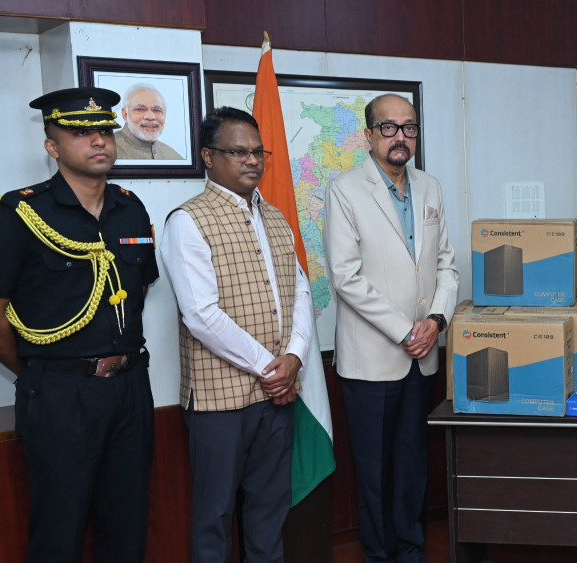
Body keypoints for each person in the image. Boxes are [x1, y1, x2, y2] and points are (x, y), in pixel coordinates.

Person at [0, 87, 158, 562]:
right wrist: (38, 371)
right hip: (60, 394)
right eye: (80, 133)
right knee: (59, 530)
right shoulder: (19, 214)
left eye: (105, 130)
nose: (99, 141)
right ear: (52, 146)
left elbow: (137, 290)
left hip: (130, 387)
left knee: (127, 524)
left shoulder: (130, 207)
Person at [160, 107, 313, 563]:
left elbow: (300, 291)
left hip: (278, 394)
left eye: (258, 152)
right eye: (238, 152)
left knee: (269, 512)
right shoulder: (188, 220)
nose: (252, 161)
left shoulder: (276, 217)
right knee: (215, 516)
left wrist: (295, 357)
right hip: (219, 402)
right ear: (208, 156)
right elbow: (200, 315)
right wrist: (272, 367)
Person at [324, 93, 458, 563]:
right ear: (369, 135)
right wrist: (407, 332)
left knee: (412, 463)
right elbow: (346, 277)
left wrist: (436, 321)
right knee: (375, 470)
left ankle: (411, 549)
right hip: (372, 360)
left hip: (423, 357)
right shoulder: (345, 190)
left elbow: (446, 266)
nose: (400, 136)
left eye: (409, 127)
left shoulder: (430, 187)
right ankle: (379, 554)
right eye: (389, 127)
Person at [114, 83, 184, 160]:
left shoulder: (174, 157)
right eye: (140, 109)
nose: (150, 117)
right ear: (125, 114)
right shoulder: (109, 151)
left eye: (157, 110)